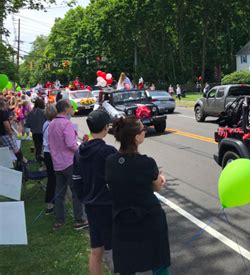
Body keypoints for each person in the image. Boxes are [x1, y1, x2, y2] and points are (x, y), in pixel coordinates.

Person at [105, 116, 170, 274]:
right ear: (136, 137)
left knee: (127, 265)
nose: (145, 130)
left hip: (122, 220)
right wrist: (161, 178)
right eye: (143, 129)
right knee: (158, 263)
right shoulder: (147, 163)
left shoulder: (110, 162)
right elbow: (157, 187)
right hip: (150, 220)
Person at [73, 110, 117, 274]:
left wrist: (84, 197)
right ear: (106, 128)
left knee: (96, 249)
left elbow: (76, 180)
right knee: (116, 248)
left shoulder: (79, 152)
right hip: (108, 205)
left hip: (91, 205)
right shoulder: (109, 152)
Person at [48, 99, 87, 230]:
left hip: (57, 162)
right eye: (71, 107)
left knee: (59, 192)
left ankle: (59, 220)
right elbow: (71, 144)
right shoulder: (66, 123)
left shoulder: (52, 123)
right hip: (69, 162)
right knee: (76, 191)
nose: (72, 109)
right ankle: (79, 219)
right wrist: (81, 149)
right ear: (65, 109)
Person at [0, 99, 26, 171]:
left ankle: (7, 166)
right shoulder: (3, 112)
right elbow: (6, 124)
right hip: (5, 134)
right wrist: (10, 133)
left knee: (4, 150)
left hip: (1, 135)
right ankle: (22, 163)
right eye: (5, 105)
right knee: (15, 149)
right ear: (3, 106)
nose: (6, 106)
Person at [42, 104, 57, 214]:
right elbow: (53, 143)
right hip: (51, 153)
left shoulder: (46, 123)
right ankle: (51, 202)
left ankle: (52, 201)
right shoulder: (51, 125)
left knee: (52, 178)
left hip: (47, 153)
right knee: (53, 179)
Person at [25, 98, 46, 162]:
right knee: (44, 146)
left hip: (34, 132)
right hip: (43, 132)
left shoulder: (30, 113)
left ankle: (38, 158)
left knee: (37, 147)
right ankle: (43, 158)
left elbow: (27, 124)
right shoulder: (44, 112)